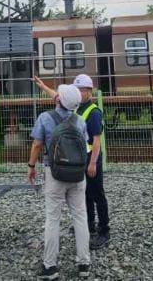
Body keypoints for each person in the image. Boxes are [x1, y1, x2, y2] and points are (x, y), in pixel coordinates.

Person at [33, 74, 110, 250]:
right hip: (80, 160)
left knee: (97, 194)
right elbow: (58, 97)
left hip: (91, 159)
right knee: (85, 196)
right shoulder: (75, 107)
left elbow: (97, 140)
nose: (80, 93)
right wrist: (43, 86)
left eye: (83, 90)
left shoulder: (93, 112)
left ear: (90, 91)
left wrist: (92, 164)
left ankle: (104, 230)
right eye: (78, 90)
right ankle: (88, 226)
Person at [28, 84, 91, 280]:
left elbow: (37, 144)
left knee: (53, 219)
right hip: (78, 176)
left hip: (54, 174)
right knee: (80, 217)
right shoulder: (80, 121)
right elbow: (85, 146)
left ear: (58, 99)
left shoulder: (45, 118)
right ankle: (84, 264)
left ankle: (50, 266)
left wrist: (31, 166)